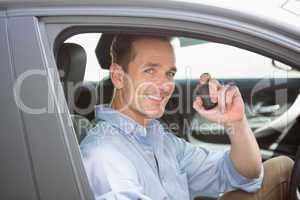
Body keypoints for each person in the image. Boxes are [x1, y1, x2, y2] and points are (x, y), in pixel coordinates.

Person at [80, 34, 294, 200]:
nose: (165, 86)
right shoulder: (104, 154)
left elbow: (243, 174)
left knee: (282, 168)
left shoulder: (160, 139)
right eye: (150, 71)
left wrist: (235, 123)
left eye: (169, 74)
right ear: (118, 76)